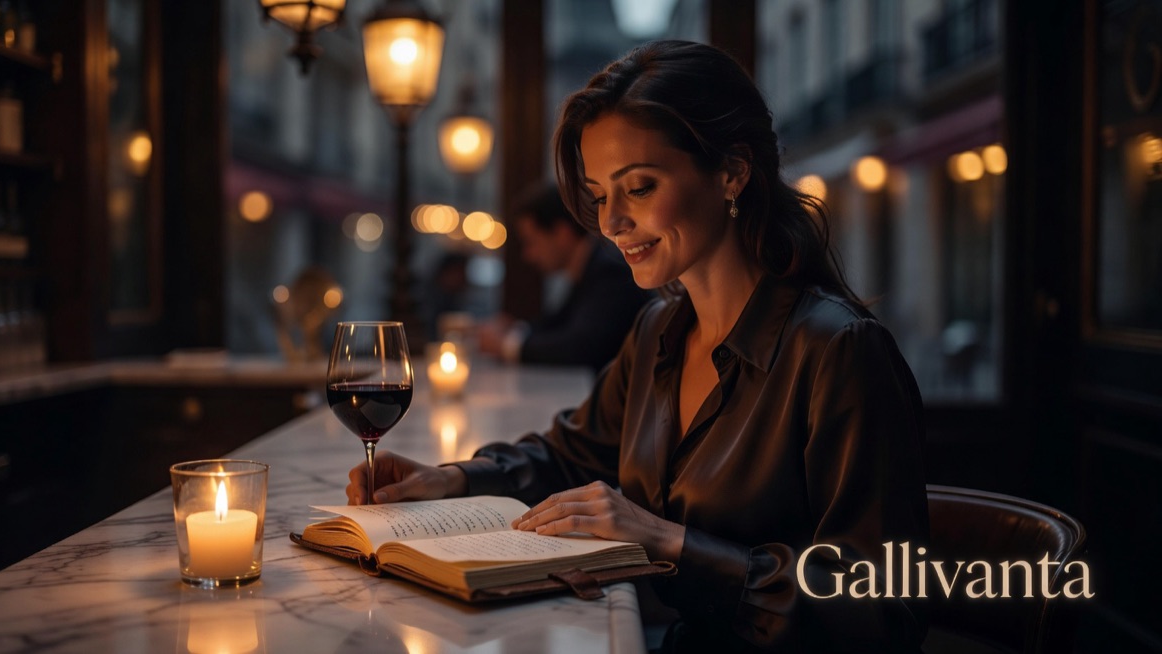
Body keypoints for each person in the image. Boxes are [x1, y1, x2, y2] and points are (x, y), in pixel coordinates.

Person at [348, 41, 928, 652]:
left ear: (732, 170)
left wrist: (670, 543)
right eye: (600, 196)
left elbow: (881, 611)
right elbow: (572, 454)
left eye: (640, 187)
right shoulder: (658, 332)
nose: (610, 223)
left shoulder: (840, 351)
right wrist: (450, 479)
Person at [476, 181, 650, 372]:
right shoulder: (589, 266)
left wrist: (506, 345)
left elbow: (581, 346)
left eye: (531, 242)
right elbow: (560, 323)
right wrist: (516, 329)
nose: (528, 254)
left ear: (561, 233)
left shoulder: (609, 269)